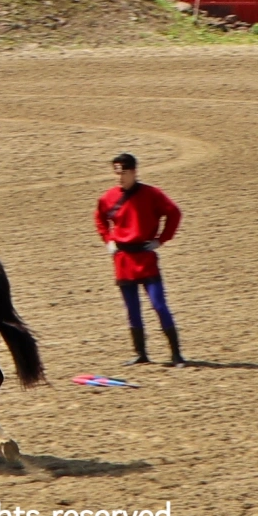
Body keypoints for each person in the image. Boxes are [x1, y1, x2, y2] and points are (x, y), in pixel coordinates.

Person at [94, 152, 186, 367]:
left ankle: (176, 354)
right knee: (132, 309)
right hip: (123, 260)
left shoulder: (152, 194)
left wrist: (161, 239)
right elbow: (99, 218)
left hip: (145, 257)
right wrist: (108, 240)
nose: (120, 177)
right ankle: (141, 353)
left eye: (124, 172)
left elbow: (174, 213)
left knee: (159, 305)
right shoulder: (108, 197)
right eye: (116, 172)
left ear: (134, 172)